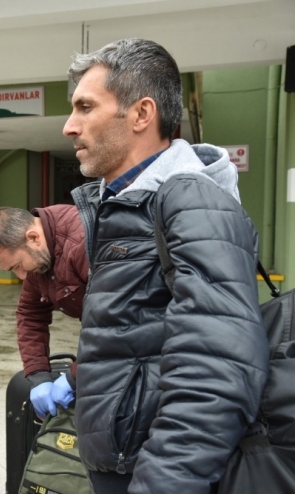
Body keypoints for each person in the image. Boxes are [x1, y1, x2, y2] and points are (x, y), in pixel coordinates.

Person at [61, 38, 269, 494]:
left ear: (141, 114)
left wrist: (163, 482)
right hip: (122, 458)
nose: (68, 127)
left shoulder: (188, 199)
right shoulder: (124, 203)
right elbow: (138, 334)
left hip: (151, 470)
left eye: (84, 107)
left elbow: (219, 365)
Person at [0, 205, 87, 418]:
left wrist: (75, 375)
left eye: (18, 265)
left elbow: (119, 321)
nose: (22, 276)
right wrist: (38, 375)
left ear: (33, 237)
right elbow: (30, 314)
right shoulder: (37, 257)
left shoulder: (83, 241)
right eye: (12, 270)